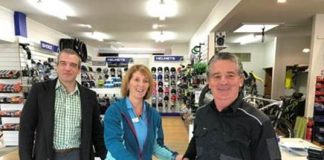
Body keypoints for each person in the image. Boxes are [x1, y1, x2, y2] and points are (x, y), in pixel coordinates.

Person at [183, 52, 281, 160]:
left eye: (230, 75)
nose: (223, 82)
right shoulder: (202, 114)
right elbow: (196, 144)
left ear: (241, 80)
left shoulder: (260, 123)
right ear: (209, 82)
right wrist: (187, 157)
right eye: (217, 76)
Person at [19, 49, 107, 160]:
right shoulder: (39, 91)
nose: (67, 68)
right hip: (47, 155)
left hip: (79, 155)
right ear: (57, 66)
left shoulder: (89, 96)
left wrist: (106, 157)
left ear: (78, 70)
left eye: (73, 65)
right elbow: (26, 129)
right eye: (63, 63)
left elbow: (97, 133)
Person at [104, 64, 182, 160]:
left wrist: (175, 157)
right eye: (136, 80)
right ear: (128, 84)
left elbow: (156, 147)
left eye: (145, 81)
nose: (141, 85)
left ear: (149, 86)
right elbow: (114, 144)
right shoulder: (114, 111)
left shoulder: (154, 115)